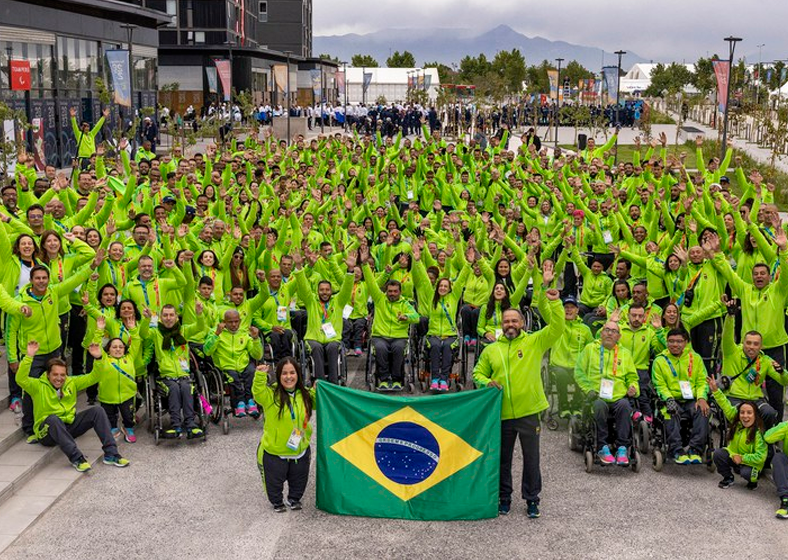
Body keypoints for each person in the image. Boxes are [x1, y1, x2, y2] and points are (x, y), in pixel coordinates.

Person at [473, 284, 565, 519]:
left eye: (515, 321)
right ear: (502, 325)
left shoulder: (534, 342)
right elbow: (477, 373)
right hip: (501, 413)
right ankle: (504, 498)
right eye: (507, 322)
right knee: (503, 460)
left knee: (531, 459)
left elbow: (557, 328)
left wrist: (554, 302)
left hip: (528, 412)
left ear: (522, 323)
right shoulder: (491, 350)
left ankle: (532, 499)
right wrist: (486, 383)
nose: (510, 325)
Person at [17, 340, 129, 472]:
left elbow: (95, 377)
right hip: (47, 432)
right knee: (53, 419)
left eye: (62, 375)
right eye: (55, 375)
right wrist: (29, 357)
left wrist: (98, 358)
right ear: (48, 375)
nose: (59, 378)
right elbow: (20, 379)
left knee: (97, 411)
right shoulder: (37, 386)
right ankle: (77, 459)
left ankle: (112, 454)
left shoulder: (72, 383)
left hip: (68, 425)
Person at [252, 359, 315, 512]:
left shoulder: (305, 395)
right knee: (274, 482)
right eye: (284, 373)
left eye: (292, 373)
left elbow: (319, 402)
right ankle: (277, 502)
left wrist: (317, 390)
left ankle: (294, 498)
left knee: (299, 479)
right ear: (278, 376)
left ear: (298, 375)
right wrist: (260, 376)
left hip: (299, 449)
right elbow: (258, 393)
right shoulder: (270, 395)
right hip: (275, 451)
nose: (288, 377)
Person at [574, 320, 639, 466]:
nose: (610, 333)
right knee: (599, 406)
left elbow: (632, 377)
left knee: (625, 406)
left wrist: (633, 387)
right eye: (607, 330)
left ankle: (622, 448)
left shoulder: (625, 354)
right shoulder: (590, 349)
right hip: (597, 395)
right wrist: (588, 389)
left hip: (618, 396)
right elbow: (579, 372)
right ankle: (602, 446)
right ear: (601, 333)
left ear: (619, 336)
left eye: (614, 331)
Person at [718, 298, 786, 428]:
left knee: (770, 413)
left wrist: (782, 372)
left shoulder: (765, 360)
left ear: (761, 346)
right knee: (746, 413)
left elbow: (784, 381)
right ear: (743, 342)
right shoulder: (731, 352)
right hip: (734, 397)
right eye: (748, 343)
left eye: (755, 344)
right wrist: (730, 316)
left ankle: (764, 441)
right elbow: (727, 335)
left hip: (755, 399)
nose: (751, 347)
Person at [292, 251, 354, 384]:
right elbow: (302, 285)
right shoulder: (310, 301)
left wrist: (350, 270)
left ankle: (333, 384)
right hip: (314, 337)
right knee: (316, 347)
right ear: (317, 291)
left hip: (332, 338)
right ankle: (320, 383)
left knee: (332, 347)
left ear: (331, 291)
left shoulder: (338, 301)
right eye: (322, 290)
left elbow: (347, 288)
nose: (324, 292)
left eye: (327, 290)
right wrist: (298, 267)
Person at [650, 327, 710, 464]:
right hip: (671, 399)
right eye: (671, 341)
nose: (675, 344)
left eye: (679, 341)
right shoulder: (660, 361)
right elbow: (659, 385)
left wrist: (701, 397)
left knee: (704, 410)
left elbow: (702, 380)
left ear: (686, 342)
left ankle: (695, 449)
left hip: (691, 399)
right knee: (669, 411)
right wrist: (668, 398)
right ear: (666, 342)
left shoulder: (695, 358)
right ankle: (676, 450)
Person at [148, 303, 206, 439]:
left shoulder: (184, 331)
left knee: (186, 388)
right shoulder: (156, 333)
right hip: (166, 377)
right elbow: (143, 333)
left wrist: (199, 314)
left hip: (184, 375)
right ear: (161, 318)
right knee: (174, 389)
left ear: (176, 317)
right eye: (165, 315)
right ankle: (176, 426)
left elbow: (200, 327)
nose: (168, 318)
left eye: (171, 315)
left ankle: (190, 424)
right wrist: (146, 320)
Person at [91, 315, 148, 443]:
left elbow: (136, 341)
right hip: (107, 396)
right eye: (114, 347)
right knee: (109, 416)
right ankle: (112, 428)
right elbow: (96, 345)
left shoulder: (129, 358)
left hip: (127, 395)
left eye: (120, 347)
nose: (117, 349)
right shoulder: (104, 359)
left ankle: (128, 428)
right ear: (108, 349)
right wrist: (99, 330)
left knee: (128, 416)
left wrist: (133, 329)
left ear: (125, 349)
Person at [708, 376, 767, 490]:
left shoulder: (758, 433)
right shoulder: (736, 422)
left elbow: (761, 457)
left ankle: (753, 481)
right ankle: (728, 477)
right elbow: (725, 404)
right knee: (718, 454)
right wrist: (715, 390)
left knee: (748, 474)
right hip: (734, 456)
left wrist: (742, 458)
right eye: (742, 412)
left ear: (755, 415)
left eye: (749, 413)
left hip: (749, 463)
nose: (745, 416)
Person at [203, 309, 263, 419]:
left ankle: (250, 401)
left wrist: (255, 339)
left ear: (240, 321)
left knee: (252, 372)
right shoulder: (215, 332)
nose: (234, 324)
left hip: (243, 364)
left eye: (236, 321)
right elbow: (207, 351)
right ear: (224, 322)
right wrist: (216, 334)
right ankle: (239, 403)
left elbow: (257, 355)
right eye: (230, 322)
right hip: (226, 365)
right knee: (233, 378)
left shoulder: (244, 333)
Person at [549, 296, 593, 418]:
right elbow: (544, 309)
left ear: (577, 310)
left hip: (577, 366)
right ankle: (563, 406)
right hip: (558, 365)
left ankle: (576, 405)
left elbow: (592, 347)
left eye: (571, 307)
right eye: (566, 307)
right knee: (562, 374)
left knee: (581, 374)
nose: (568, 310)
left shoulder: (585, 329)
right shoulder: (556, 326)